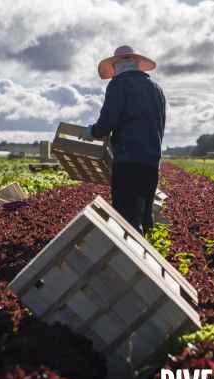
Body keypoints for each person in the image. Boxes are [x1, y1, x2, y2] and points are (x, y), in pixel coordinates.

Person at [80, 45, 166, 236]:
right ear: (136, 64)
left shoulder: (119, 83)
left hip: (128, 159)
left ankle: (129, 261)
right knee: (145, 214)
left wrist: (92, 132)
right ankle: (149, 258)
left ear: (117, 65)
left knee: (127, 218)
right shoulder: (157, 89)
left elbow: (109, 120)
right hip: (152, 161)